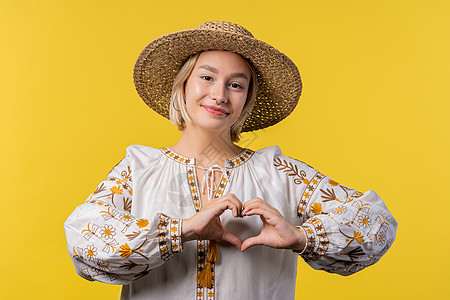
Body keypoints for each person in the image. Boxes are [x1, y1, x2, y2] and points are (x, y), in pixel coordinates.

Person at [64, 21, 398, 300]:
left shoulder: (280, 172)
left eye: (235, 85)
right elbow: (84, 242)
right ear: (182, 86)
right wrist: (180, 231)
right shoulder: (138, 169)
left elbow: (377, 224)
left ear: (247, 100)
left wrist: (301, 236)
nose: (220, 95)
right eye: (207, 77)